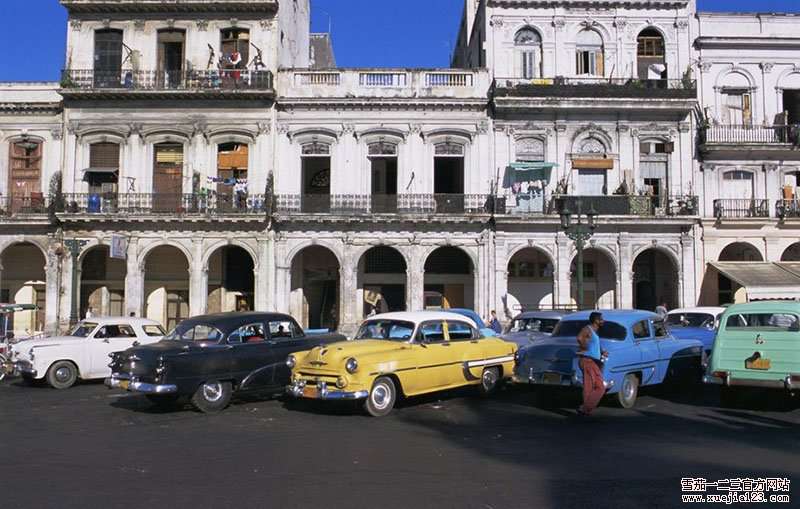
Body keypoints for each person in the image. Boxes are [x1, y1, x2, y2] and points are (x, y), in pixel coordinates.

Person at [576, 312, 608, 416]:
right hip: (588, 360)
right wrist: (585, 348)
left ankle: (586, 411)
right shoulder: (588, 329)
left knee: (589, 387)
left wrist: (602, 351)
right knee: (600, 387)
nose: (603, 321)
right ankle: (585, 408)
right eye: (601, 319)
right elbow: (579, 338)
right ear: (596, 320)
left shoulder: (595, 331)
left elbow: (595, 344)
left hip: (592, 361)